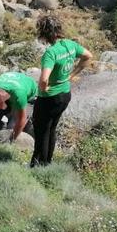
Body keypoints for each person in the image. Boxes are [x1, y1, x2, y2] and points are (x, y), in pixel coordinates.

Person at [30, 16, 93, 167]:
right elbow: (88, 56)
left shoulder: (50, 54)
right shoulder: (70, 45)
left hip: (49, 98)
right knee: (51, 129)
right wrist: (72, 74)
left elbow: (44, 78)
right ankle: (47, 163)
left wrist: (43, 88)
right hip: (65, 94)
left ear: (44, 34)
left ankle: (38, 166)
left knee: (41, 132)